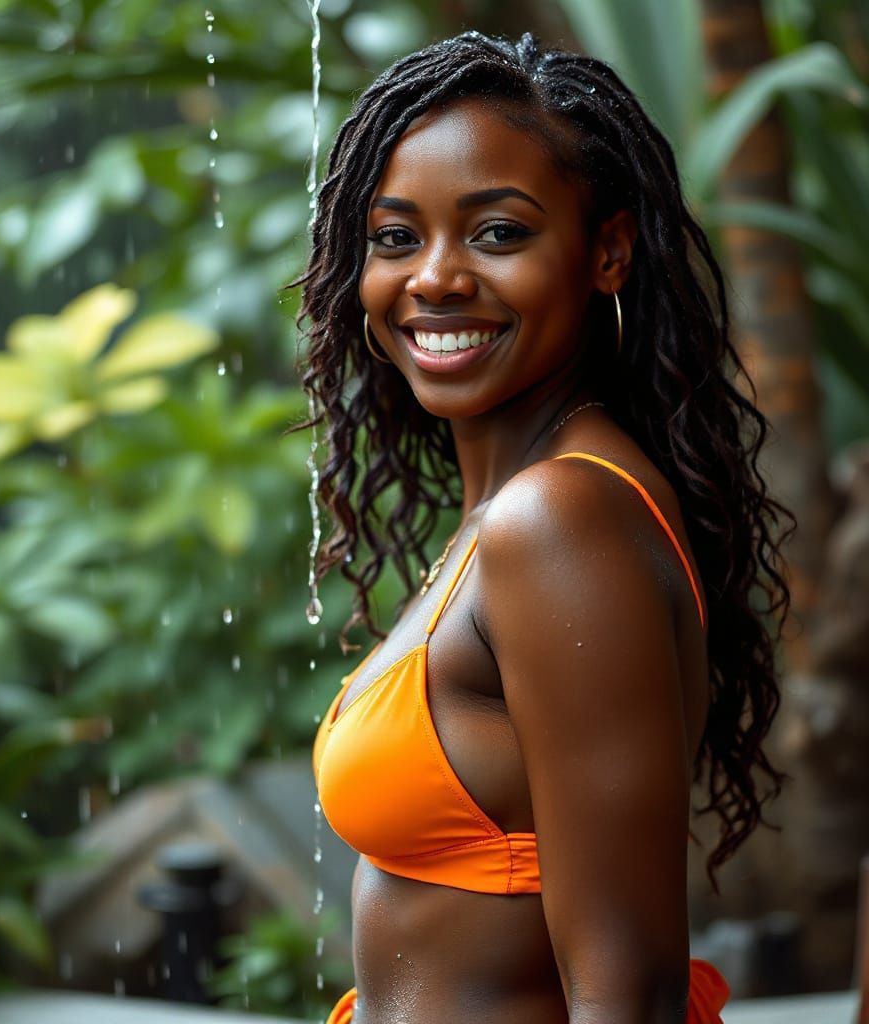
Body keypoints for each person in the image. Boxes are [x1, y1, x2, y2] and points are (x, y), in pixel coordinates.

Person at [294, 29, 794, 1024]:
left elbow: (629, 991)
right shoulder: (516, 510)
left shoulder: (556, 521)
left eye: (497, 233)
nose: (434, 277)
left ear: (607, 251)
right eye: (395, 238)